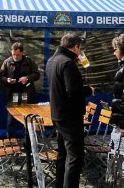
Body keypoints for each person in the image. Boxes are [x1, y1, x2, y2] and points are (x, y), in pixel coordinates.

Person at [46, 33, 94, 188]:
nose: (80, 53)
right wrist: (88, 90)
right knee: (75, 157)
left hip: (58, 114)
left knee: (63, 155)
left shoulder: (52, 60)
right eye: (79, 49)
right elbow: (73, 91)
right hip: (70, 116)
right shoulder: (67, 63)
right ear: (76, 47)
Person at [0, 41, 40, 138]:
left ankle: (27, 141)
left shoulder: (29, 61)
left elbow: (37, 74)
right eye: (13, 54)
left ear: (22, 53)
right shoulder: (7, 61)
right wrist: (7, 80)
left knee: (26, 118)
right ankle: (10, 140)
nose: (15, 57)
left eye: (18, 55)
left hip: (25, 93)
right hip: (13, 94)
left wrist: (27, 78)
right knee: (11, 119)